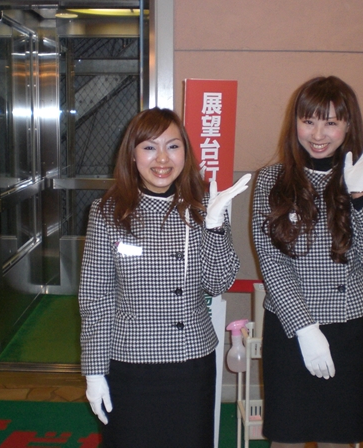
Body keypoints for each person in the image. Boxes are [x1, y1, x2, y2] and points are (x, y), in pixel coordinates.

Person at [78, 107, 251, 448]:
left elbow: (218, 283)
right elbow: (96, 297)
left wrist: (214, 226)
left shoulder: (205, 206)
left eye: (173, 146)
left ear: (185, 152)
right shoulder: (107, 211)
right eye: (149, 147)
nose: (162, 158)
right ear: (132, 154)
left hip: (191, 361)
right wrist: (94, 371)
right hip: (130, 362)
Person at [252, 76, 363, 447]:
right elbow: (272, 262)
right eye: (309, 121)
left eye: (331, 122)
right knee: (286, 437)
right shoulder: (272, 179)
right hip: (290, 326)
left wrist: (359, 195)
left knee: (339, 437)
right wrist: (305, 328)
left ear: (348, 125)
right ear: (295, 123)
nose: (318, 134)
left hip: (351, 326)